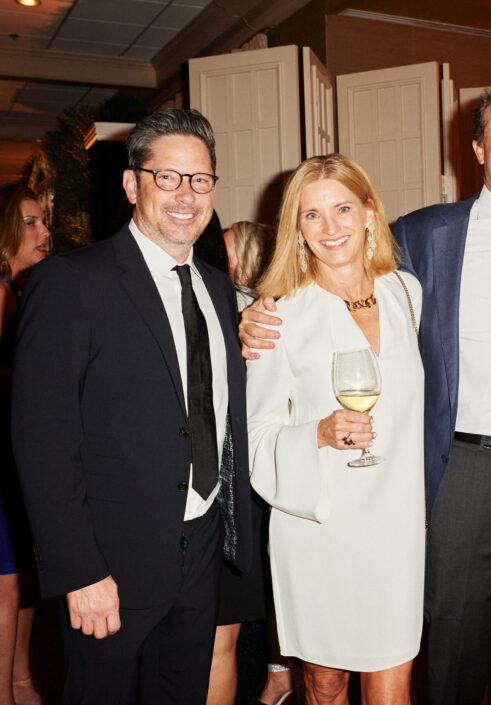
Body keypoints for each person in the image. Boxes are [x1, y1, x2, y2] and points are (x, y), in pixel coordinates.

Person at [240, 80, 491, 705]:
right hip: (460, 479)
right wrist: (248, 314)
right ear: (477, 148)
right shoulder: (428, 238)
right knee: (448, 660)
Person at [11, 108, 252, 704]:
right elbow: (43, 441)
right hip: (108, 566)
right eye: (166, 176)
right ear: (131, 184)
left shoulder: (221, 292)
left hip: (199, 558)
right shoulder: (71, 283)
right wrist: (79, 571)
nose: (186, 194)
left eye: (200, 180)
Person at [245, 154, 424, 705]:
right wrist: (318, 433)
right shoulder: (278, 315)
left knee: (391, 688)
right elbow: (258, 437)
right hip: (320, 525)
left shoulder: (406, 294)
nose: (331, 228)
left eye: (343, 208)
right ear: (296, 230)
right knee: (325, 684)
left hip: (396, 523)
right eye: (312, 215)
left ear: (370, 212)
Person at [207, 218, 280, 705]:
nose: (221, 259)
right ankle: (275, 677)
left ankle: (275, 677)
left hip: (246, 489)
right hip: (235, 489)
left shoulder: (255, 318)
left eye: (230, 252)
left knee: (224, 636)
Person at [0, 184, 48, 705]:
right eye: (31, 222)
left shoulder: (20, 290)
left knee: (23, 579)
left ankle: (21, 683)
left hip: (15, 451)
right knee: (8, 583)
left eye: (44, 223)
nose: (44, 233)